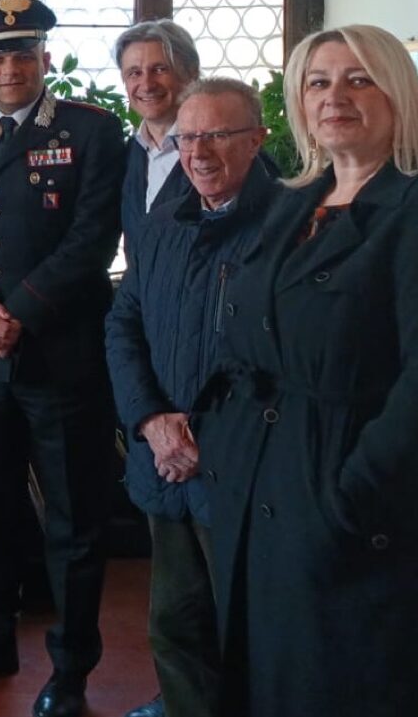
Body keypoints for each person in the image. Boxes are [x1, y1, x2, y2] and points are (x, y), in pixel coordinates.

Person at [197, 24, 418, 717]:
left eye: (357, 79)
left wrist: (348, 503)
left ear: (397, 95)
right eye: (317, 82)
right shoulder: (293, 204)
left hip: (377, 529)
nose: (333, 96)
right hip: (270, 504)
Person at [0, 0, 125, 717]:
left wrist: (19, 313)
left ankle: (70, 670)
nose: (7, 66)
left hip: (61, 357)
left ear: (44, 55)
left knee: (73, 518)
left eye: (20, 51)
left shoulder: (91, 130)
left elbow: (93, 240)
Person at [105, 78, 281, 717]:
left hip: (242, 472)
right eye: (186, 137)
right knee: (175, 630)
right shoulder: (161, 226)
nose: (198, 151)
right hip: (165, 466)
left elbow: (281, 361)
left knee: (254, 638)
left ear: (258, 140)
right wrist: (151, 421)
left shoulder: (291, 227)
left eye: (217, 135)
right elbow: (123, 325)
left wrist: (202, 435)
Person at [115, 20, 200, 252]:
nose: (147, 84)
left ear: (191, 74)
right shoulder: (127, 154)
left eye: (160, 70)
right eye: (134, 73)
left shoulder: (223, 149)